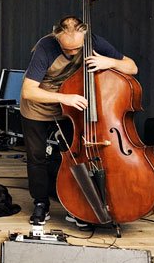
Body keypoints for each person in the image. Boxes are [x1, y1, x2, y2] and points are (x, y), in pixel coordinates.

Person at [19, 16, 138, 227]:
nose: (74, 53)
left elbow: (132, 67)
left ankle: (74, 206)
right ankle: (41, 203)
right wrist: (64, 98)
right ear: (57, 37)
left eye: (77, 49)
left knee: (74, 158)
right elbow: (28, 92)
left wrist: (110, 62)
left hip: (71, 109)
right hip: (39, 107)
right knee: (37, 157)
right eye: (68, 49)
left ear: (85, 36)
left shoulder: (94, 42)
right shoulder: (45, 47)